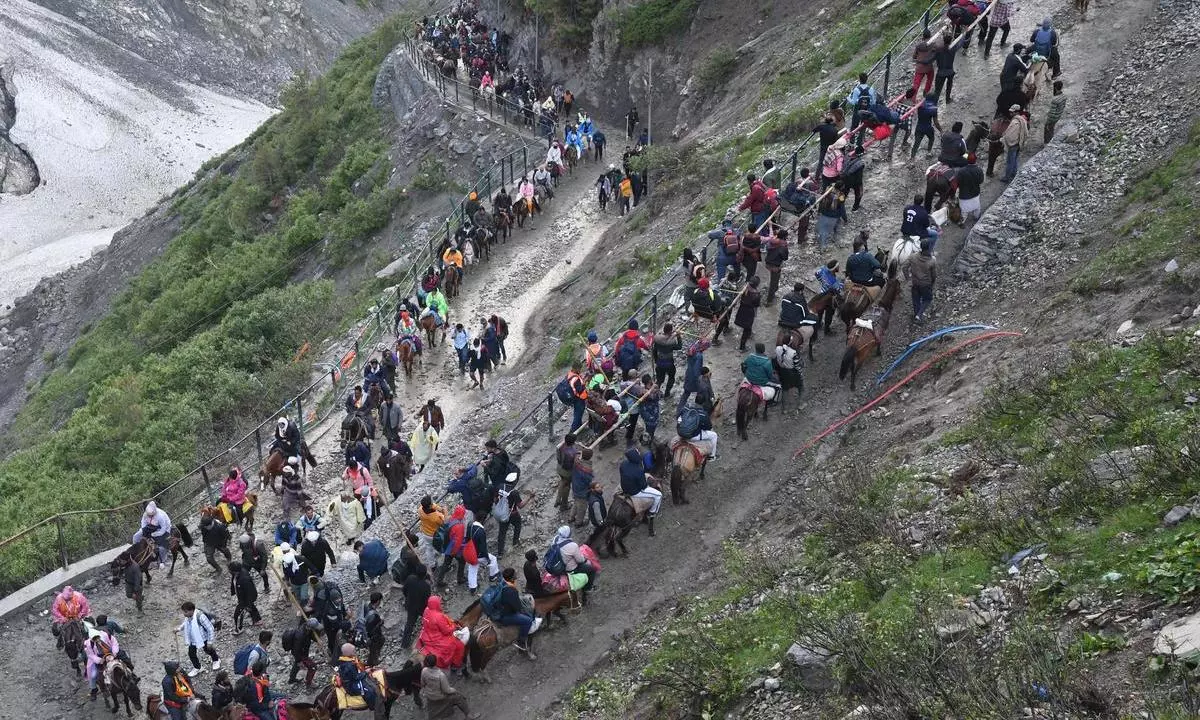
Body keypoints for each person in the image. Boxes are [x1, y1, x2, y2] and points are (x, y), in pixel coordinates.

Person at [495, 567, 541, 656]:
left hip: (500, 608)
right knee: (528, 621)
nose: (516, 575)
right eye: (515, 574)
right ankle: (522, 641)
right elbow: (517, 608)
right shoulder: (511, 590)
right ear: (512, 578)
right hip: (506, 616)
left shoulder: (503, 583)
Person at [421, 654, 480, 719]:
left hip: (429, 695)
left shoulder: (424, 670)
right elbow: (447, 690)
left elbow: (423, 683)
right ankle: (469, 715)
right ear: (436, 662)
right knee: (459, 697)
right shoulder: (440, 675)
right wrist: (454, 690)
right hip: (440, 696)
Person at [417, 596, 467, 671]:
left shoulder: (426, 610)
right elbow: (446, 631)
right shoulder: (438, 616)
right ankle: (455, 664)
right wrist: (454, 626)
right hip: (436, 638)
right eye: (439, 603)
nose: (440, 604)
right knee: (459, 645)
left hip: (426, 634)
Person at [552, 526, 598, 601]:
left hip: (559, 565)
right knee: (592, 570)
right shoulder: (572, 546)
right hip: (570, 569)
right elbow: (580, 560)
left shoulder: (555, 540)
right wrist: (585, 558)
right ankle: (588, 588)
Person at [178, 601, 220, 678]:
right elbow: (185, 623)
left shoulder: (200, 616)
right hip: (193, 639)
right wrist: (179, 628)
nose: (184, 614)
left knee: (208, 650)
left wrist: (210, 642)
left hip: (203, 638)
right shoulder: (188, 617)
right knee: (191, 654)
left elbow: (210, 628)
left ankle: (216, 660)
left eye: (186, 612)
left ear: (191, 610)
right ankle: (198, 667)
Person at [619, 445, 662, 519]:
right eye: (637, 452)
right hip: (635, 492)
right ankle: (652, 512)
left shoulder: (623, 463)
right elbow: (643, 486)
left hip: (624, 487)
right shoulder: (639, 470)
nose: (639, 453)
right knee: (659, 495)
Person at [83, 620, 120, 700]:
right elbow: (91, 655)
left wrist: (114, 653)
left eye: (97, 637)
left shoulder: (106, 635)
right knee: (93, 675)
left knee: (125, 660)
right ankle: (94, 689)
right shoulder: (88, 644)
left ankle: (131, 677)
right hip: (99, 659)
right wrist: (100, 660)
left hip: (111, 654)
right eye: (94, 639)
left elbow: (114, 643)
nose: (97, 640)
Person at [400, 562, 431, 649]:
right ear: (425, 574)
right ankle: (429, 636)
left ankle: (404, 644)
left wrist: (408, 598)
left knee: (409, 624)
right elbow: (427, 600)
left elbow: (404, 590)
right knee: (428, 620)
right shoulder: (426, 586)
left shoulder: (410, 579)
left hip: (410, 605)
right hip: (422, 608)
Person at [336, 643, 377, 709]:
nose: (355, 652)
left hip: (353, 678)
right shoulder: (349, 665)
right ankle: (374, 706)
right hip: (351, 685)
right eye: (353, 651)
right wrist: (366, 672)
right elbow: (356, 677)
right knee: (369, 691)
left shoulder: (349, 660)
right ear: (349, 653)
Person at [691, 278, 730, 344]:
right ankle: (716, 338)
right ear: (708, 285)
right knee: (726, 307)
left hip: (700, 312)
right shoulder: (712, 295)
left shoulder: (695, 292)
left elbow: (693, 303)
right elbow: (718, 308)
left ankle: (726, 327)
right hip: (711, 315)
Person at [285, 618, 321, 687]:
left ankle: (292, 679)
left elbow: (310, 636)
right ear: (310, 627)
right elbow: (296, 650)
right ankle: (309, 682)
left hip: (303, 652)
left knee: (296, 665)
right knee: (313, 667)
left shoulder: (306, 627)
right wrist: (299, 661)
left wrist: (317, 640)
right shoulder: (300, 636)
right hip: (301, 654)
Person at [494, 481, 526, 557]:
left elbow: (495, 499)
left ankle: (500, 553)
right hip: (513, 514)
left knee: (502, 533)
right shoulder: (514, 492)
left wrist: (500, 509)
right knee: (518, 525)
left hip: (502, 514)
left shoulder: (500, 486)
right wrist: (529, 498)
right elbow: (520, 506)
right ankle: (515, 541)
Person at [229, 560, 262, 635]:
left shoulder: (244, 579)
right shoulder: (237, 574)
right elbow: (234, 583)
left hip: (245, 599)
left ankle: (238, 629)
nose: (229, 571)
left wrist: (248, 604)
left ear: (235, 571)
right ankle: (257, 620)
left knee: (237, 614)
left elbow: (250, 593)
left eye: (230, 570)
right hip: (242, 596)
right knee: (251, 608)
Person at [138, 501, 173, 569]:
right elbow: (143, 522)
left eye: (151, 515)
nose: (149, 516)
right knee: (136, 536)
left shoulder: (160, 516)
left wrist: (154, 535)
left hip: (163, 530)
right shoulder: (146, 514)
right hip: (151, 527)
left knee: (162, 545)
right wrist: (143, 530)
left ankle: (163, 560)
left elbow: (163, 529)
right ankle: (138, 552)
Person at [1000, 104, 1029, 182]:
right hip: (1019, 143)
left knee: (1010, 161)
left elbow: (1010, 135)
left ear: (1016, 112)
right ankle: (1014, 173)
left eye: (1012, 112)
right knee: (1015, 159)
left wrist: (1003, 140)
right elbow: (1026, 133)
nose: (1010, 113)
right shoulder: (1023, 120)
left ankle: (1007, 177)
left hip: (1013, 144)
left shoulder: (1015, 122)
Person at [910, 238, 937, 322]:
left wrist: (908, 278)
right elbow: (934, 275)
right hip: (925, 284)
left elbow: (904, 267)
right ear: (929, 248)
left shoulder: (913, 256)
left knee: (916, 299)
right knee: (928, 299)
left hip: (915, 282)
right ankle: (919, 315)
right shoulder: (932, 260)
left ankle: (916, 315)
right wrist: (932, 284)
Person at [651, 323, 682, 397]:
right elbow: (679, 346)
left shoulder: (657, 339)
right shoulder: (672, 342)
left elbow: (654, 351)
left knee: (659, 380)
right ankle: (667, 393)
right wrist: (678, 336)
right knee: (671, 378)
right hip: (669, 364)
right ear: (670, 331)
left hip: (659, 363)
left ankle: (655, 393)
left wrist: (656, 360)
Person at [734, 276, 762, 353]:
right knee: (747, 329)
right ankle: (742, 347)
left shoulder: (745, 289)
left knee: (746, 327)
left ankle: (748, 335)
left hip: (742, 310)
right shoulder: (756, 295)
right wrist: (755, 314)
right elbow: (756, 306)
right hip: (749, 313)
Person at [910, 93, 942, 159]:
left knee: (916, 143)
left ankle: (912, 157)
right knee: (931, 138)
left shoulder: (920, 105)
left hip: (919, 127)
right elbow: (936, 122)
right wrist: (941, 130)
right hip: (928, 128)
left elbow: (914, 108)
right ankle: (929, 152)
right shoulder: (934, 108)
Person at [417, 496, 446, 570]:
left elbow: (433, 506)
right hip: (435, 535)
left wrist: (439, 508)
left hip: (425, 533)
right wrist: (444, 511)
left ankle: (432, 565)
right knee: (442, 547)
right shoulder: (436, 517)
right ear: (429, 505)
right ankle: (444, 563)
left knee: (429, 548)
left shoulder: (420, 510)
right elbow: (444, 522)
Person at [934, 30, 962, 103]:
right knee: (949, 86)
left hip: (940, 73)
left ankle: (934, 104)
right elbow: (961, 43)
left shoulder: (938, 50)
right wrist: (964, 34)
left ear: (943, 41)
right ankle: (947, 99)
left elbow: (931, 58)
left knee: (937, 90)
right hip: (950, 72)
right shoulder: (953, 49)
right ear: (950, 41)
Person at [570, 447, 595, 528]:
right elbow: (588, 481)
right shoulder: (588, 469)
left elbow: (576, 455)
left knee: (576, 503)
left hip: (574, 486)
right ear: (590, 457)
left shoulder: (576, 462)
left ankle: (571, 517)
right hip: (582, 491)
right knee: (582, 508)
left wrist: (578, 453)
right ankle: (578, 522)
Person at [957, 154, 986, 223]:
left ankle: (962, 220)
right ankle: (976, 217)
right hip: (975, 193)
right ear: (975, 161)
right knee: (976, 207)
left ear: (967, 160)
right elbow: (981, 181)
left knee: (964, 210)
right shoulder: (979, 170)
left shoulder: (961, 171)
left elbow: (958, 183)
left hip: (964, 195)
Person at [763, 228, 789, 304]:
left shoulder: (772, 241)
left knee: (774, 281)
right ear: (784, 237)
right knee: (773, 283)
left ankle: (773, 292)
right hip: (775, 266)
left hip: (768, 263)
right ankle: (769, 301)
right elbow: (785, 258)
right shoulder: (783, 246)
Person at [912, 29, 936, 95]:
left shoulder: (919, 46)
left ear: (923, 36)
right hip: (929, 67)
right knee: (930, 79)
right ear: (930, 35)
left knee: (916, 84)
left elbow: (914, 56)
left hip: (920, 67)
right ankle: (926, 92)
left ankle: (912, 98)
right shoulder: (933, 44)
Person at [566, 362, 588, 434]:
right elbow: (580, 389)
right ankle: (572, 433)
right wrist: (584, 382)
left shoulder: (570, 374)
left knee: (578, 413)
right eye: (580, 369)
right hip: (579, 399)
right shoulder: (575, 378)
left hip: (575, 398)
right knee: (578, 415)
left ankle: (579, 427)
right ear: (576, 369)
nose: (580, 370)